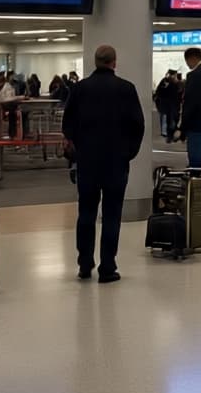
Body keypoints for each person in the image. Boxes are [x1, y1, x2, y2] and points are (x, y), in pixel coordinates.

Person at [60, 45, 145, 282]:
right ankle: (108, 267)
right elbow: (138, 125)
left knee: (86, 213)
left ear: (95, 62)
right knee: (112, 214)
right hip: (116, 162)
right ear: (114, 62)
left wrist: (77, 149)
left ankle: (84, 263)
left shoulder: (80, 89)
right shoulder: (126, 89)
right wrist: (128, 153)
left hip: (87, 161)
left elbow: (67, 123)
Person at [154, 70, 181, 142]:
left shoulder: (175, 83)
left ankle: (170, 136)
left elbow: (178, 94)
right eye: (174, 75)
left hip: (172, 106)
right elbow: (159, 92)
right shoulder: (166, 81)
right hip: (168, 105)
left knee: (172, 121)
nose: (175, 76)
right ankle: (169, 136)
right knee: (170, 121)